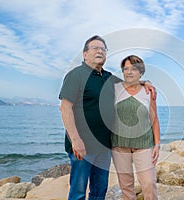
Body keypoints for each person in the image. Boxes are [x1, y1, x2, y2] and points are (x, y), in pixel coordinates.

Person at [59, 36, 156, 200]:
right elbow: (65, 108)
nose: (100, 51)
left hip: (104, 146)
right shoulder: (76, 75)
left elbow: (131, 82)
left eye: (103, 49)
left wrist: (146, 82)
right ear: (85, 54)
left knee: (99, 191)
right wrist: (75, 139)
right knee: (78, 192)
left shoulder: (108, 77)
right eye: (95, 48)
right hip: (82, 146)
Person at [111, 55, 160, 200]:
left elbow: (154, 119)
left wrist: (157, 144)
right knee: (126, 186)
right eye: (126, 69)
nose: (129, 72)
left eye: (133, 69)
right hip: (119, 145)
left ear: (141, 72)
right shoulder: (114, 88)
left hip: (144, 144)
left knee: (149, 183)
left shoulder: (148, 92)